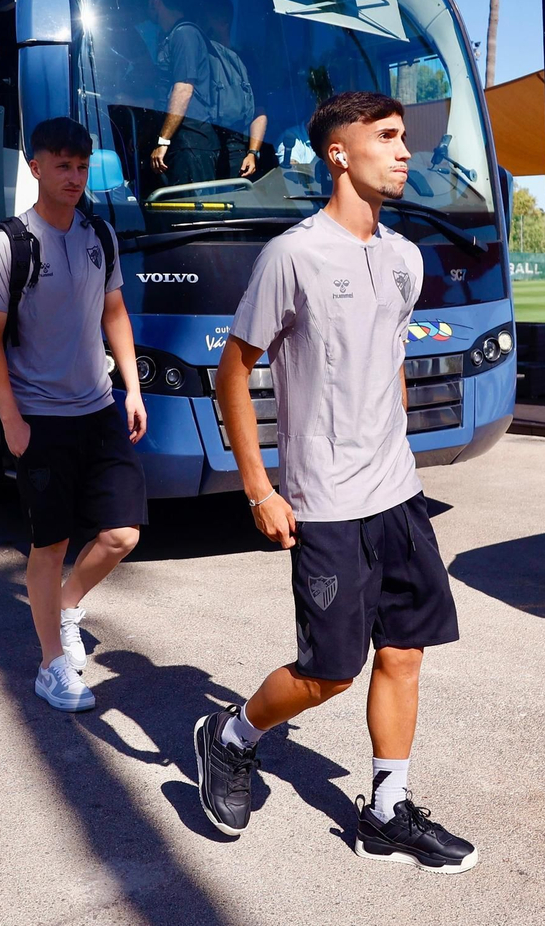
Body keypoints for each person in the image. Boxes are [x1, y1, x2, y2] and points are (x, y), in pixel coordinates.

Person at [193, 92, 477, 872]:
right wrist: (259, 487)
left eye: (404, 137)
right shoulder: (294, 255)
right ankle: (230, 736)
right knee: (329, 671)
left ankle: (386, 808)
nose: (403, 149)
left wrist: (395, 447)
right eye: (386, 137)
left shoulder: (404, 257)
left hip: (397, 494)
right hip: (325, 503)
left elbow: (385, 356)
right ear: (339, 154)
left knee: (407, 652)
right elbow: (233, 371)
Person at [0, 117, 148, 712]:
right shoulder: (8, 244)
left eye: (82, 166)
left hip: (99, 408)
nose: (74, 177)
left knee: (122, 533)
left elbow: (115, 313)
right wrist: (10, 419)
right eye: (62, 165)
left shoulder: (99, 233)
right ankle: (52, 664)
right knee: (48, 545)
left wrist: (132, 388)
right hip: (39, 417)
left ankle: (69, 603)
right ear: (35, 168)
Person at [147, 0, 222, 191]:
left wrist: (163, 141)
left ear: (156, 0)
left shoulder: (184, 34)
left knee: (196, 218)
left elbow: (183, 89)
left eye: (147, 0)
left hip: (192, 142)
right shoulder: (169, 36)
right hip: (180, 141)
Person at [197, 0, 268, 182]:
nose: (203, 29)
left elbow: (259, 111)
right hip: (201, 149)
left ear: (224, 23)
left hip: (237, 151)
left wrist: (253, 153)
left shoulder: (246, 62)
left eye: (207, 21)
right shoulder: (199, 58)